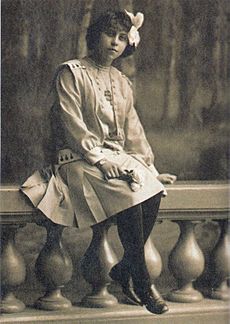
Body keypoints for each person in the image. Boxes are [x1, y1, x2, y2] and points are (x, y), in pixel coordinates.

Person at [21, 10, 176, 314]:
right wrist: (100, 160)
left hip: (114, 157)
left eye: (121, 38)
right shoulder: (71, 72)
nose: (115, 43)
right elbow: (70, 123)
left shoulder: (121, 81)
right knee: (131, 193)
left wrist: (150, 168)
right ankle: (142, 280)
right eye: (109, 34)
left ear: (127, 44)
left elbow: (133, 130)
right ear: (95, 35)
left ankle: (124, 268)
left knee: (153, 188)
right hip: (77, 158)